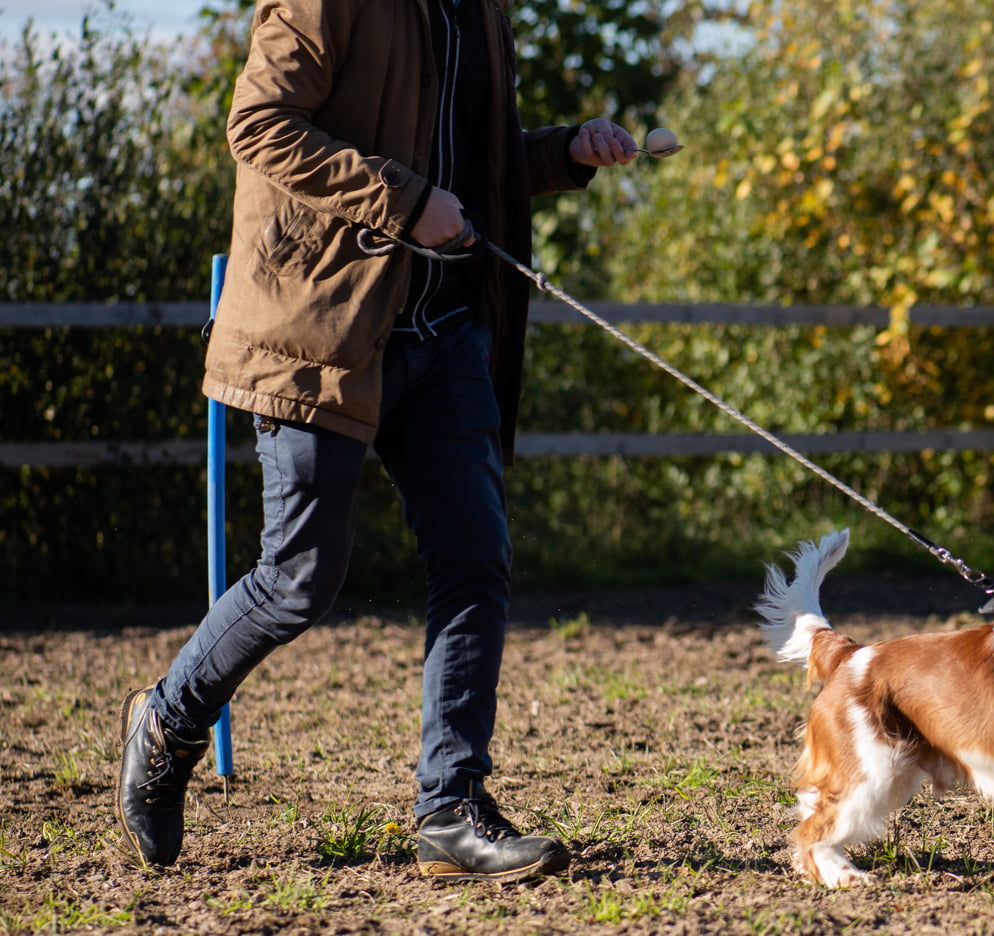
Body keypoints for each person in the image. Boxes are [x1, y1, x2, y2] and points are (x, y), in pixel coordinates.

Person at [116, 0, 639, 883]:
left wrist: (562, 152)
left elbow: (469, 161)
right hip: (318, 332)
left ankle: (450, 808)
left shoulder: (479, 11)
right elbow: (258, 125)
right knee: (298, 580)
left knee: (476, 560)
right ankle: (166, 722)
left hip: (444, 331)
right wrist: (402, 200)